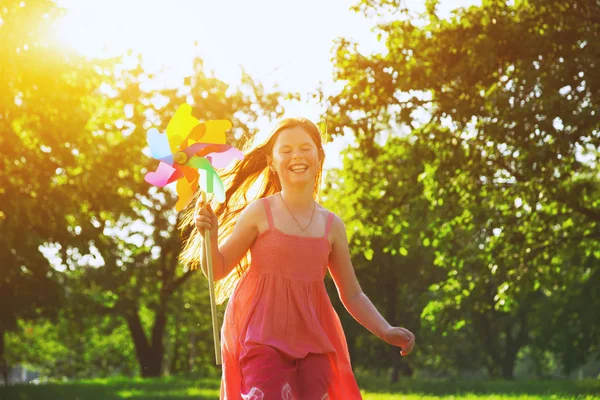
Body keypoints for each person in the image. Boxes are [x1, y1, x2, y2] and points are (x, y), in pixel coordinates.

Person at [180, 117, 415, 400]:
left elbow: (352, 294)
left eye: (306, 147)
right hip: (261, 338)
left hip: (314, 340)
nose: (297, 155)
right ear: (271, 162)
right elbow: (217, 269)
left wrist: (386, 330)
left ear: (319, 157)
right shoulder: (260, 212)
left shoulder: (332, 226)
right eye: (286, 150)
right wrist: (212, 237)